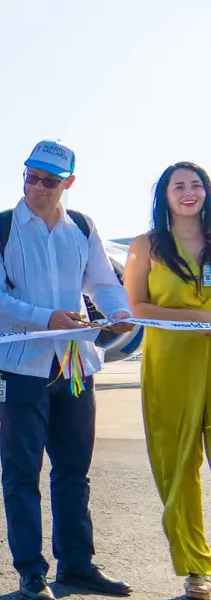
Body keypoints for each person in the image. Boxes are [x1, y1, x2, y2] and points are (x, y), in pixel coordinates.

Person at [0, 140, 134, 600]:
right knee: (21, 471)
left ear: (69, 183)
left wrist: (119, 312)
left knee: (73, 469)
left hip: (74, 364)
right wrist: (47, 318)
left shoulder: (82, 228)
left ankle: (77, 566)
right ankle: (30, 571)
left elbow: (103, 283)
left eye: (48, 180)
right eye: (30, 176)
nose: (37, 187)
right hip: (18, 366)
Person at [123, 162, 211, 599]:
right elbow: (136, 306)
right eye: (179, 186)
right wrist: (200, 318)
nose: (189, 192)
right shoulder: (147, 246)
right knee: (178, 468)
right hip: (171, 365)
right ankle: (198, 571)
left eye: (197, 185)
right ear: (165, 195)